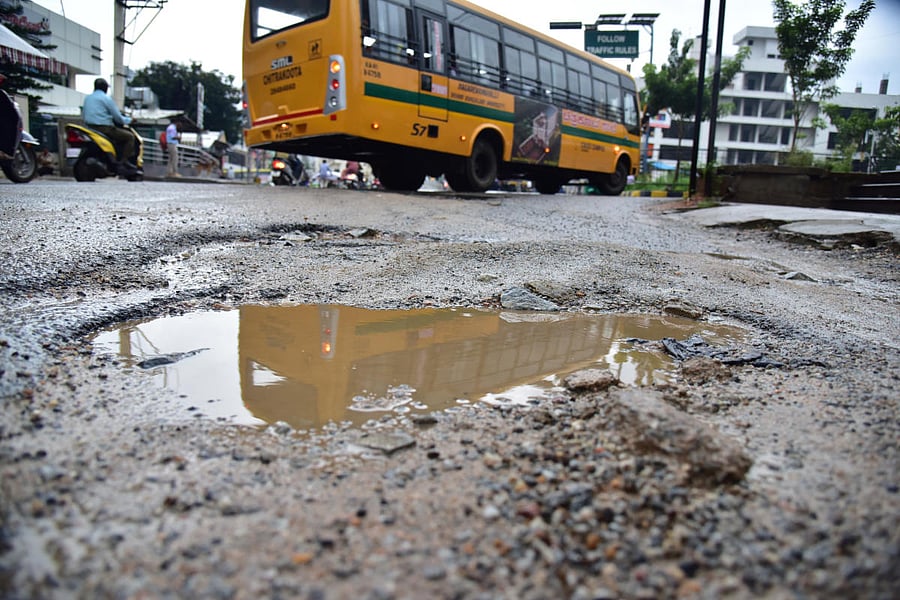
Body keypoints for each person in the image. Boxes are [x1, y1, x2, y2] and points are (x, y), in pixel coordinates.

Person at [82, 78, 137, 175]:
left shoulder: (87, 98)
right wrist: (130, 120)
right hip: (105, 129)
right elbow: (118, 117)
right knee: (130, 137)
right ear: (106, 88)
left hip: (89, 128)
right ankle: (123, 162)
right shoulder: (106, 98)